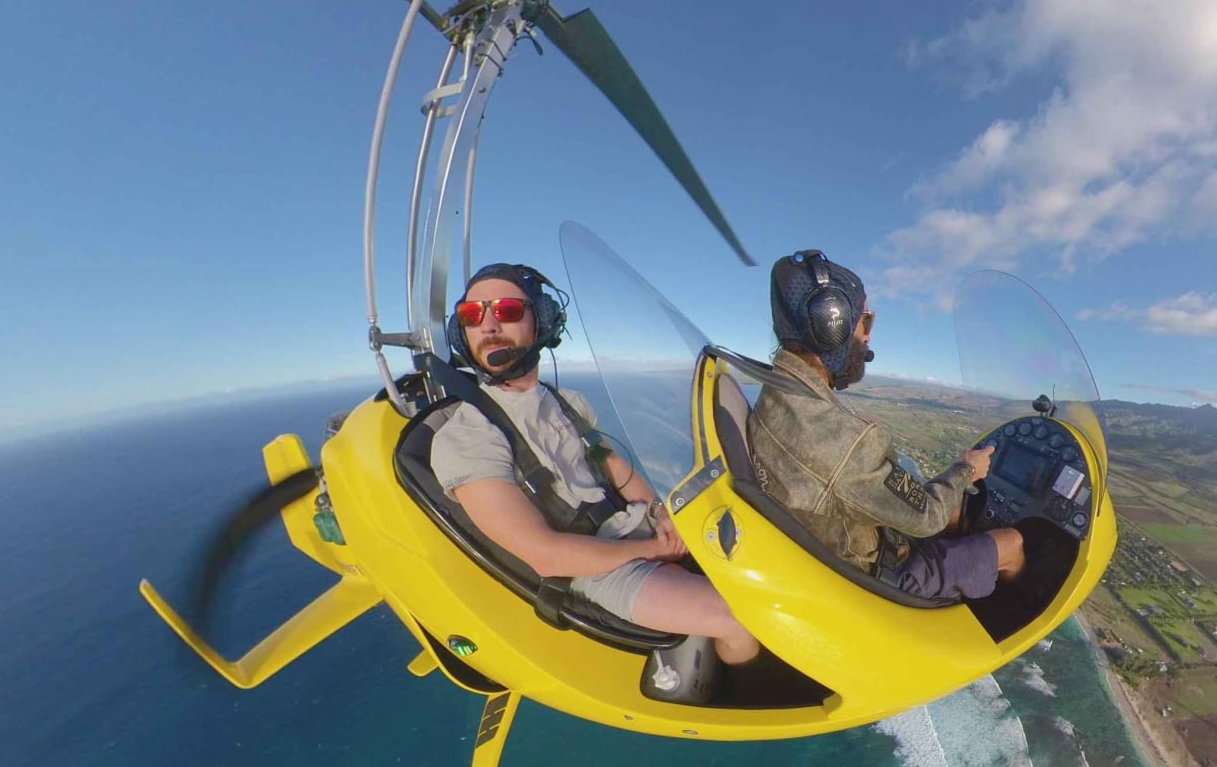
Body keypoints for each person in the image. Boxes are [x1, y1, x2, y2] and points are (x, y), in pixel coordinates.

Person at [429, 262, 761, 667]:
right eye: (472, 315)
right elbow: (545, 555)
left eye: (507, 310)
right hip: (592, 569)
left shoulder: (568, 403)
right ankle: (738, 676)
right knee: (741, 619)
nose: (489, 325)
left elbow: (614, 468)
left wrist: (660, 512)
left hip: (634, 529)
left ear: (544, 320)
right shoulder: (466, 438)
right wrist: (653, 549)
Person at [747, 250, 1025, 603]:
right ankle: (1001, 608)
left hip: (832, 552)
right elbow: (928, 517)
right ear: (831, 326)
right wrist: (967, 469)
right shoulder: (838, 443)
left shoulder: (778, 395)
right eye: (866, 321)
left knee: (959, 513)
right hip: (874, 577)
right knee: (1012, 543)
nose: (868, 338)